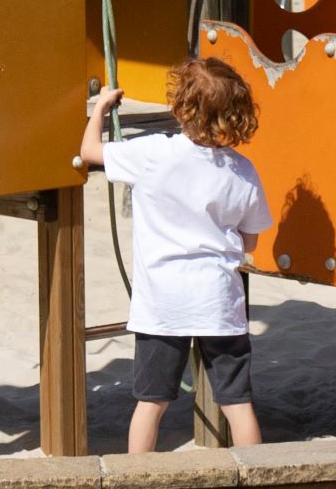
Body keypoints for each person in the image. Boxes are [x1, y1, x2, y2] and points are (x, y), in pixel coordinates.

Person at [82, 59, 274, 454]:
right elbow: (251, 242)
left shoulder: (153, 153)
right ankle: (259, 480)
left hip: (163, 300)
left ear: (181, 107)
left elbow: (89, 151)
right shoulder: (242, 171)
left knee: (151, 402)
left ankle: (136, 484)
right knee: (237, 402)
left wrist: (101, 105)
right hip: (218, 299)